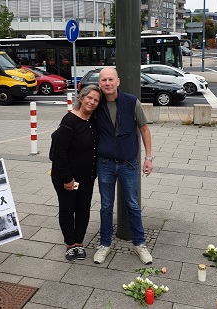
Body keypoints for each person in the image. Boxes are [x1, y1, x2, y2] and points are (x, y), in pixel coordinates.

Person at [93, 67, 153, 265]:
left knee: (133, 205)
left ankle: (140, 244)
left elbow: (144, 130)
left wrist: (148, 158)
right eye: (103, 80)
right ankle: (104, 244)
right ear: (99, 83)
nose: (107, 83)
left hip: (128, 163)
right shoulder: (96, 103)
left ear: (118, 81)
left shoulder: (131, 101)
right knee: (106, 206)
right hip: (105, 164)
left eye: (111, 79)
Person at [51, 84, 101, 262]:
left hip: (87, 177)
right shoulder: (69, 121)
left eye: (96, 100)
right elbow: (59, 153)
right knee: (67, 209)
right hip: (67, 177)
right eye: (89, 98)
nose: (92, 102)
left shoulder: (92, 120)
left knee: (83, 209)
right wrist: (67, 178)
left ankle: (79, 243)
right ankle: (70, 245)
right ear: (81, 98)